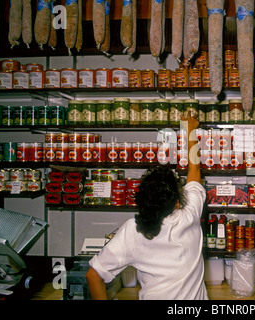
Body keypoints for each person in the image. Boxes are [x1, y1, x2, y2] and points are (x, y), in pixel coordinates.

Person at [86, 111, 207, 300]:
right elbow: (195, 169)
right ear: (176, 202)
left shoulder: (133, 230)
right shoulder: (189, 217)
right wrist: (190, 130)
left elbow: (93, 275)